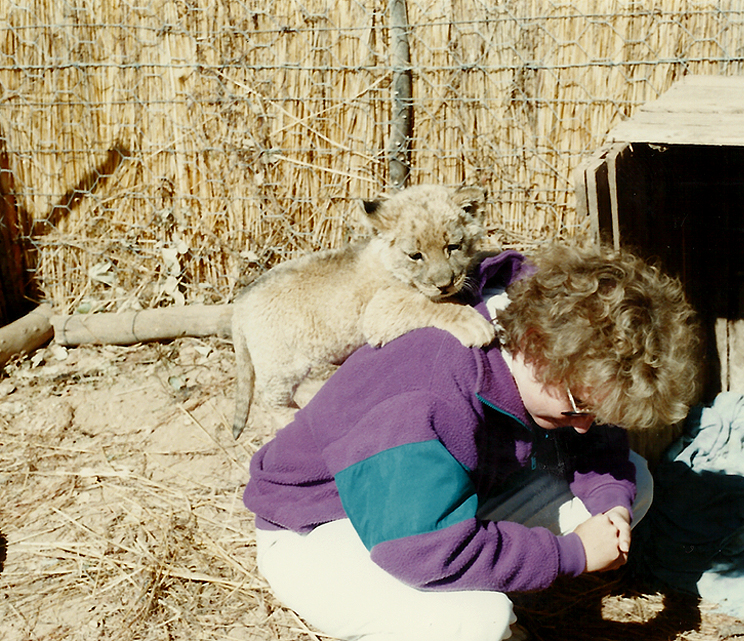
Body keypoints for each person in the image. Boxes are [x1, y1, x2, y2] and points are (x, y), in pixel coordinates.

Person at [243, 242, 702, 641]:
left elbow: (595, 439)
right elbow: (423, 548)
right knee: (477, 621)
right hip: (321, 530)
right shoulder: (428, 395)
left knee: (631, 481)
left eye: (595, 413)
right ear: (539, 348)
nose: (585, 426)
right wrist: (573, 554)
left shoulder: (545, 343)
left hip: (418, 504)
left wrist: (610, 502)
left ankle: (468, 587)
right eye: (577, 406)